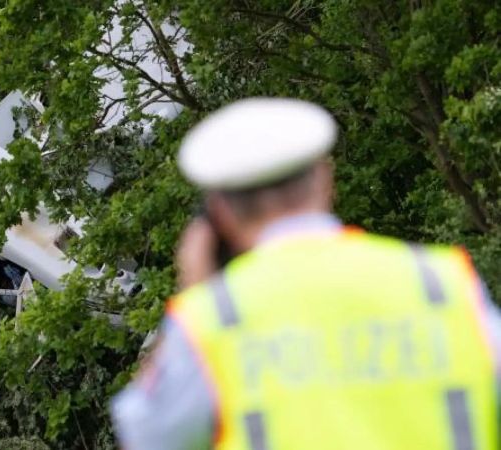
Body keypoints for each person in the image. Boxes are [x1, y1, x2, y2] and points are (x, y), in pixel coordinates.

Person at [110, 98, 498, 450]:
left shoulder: (213, 321)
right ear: (325, 180)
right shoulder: (439, 280)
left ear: (221, 214)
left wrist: (193, 293)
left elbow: (145, 434)